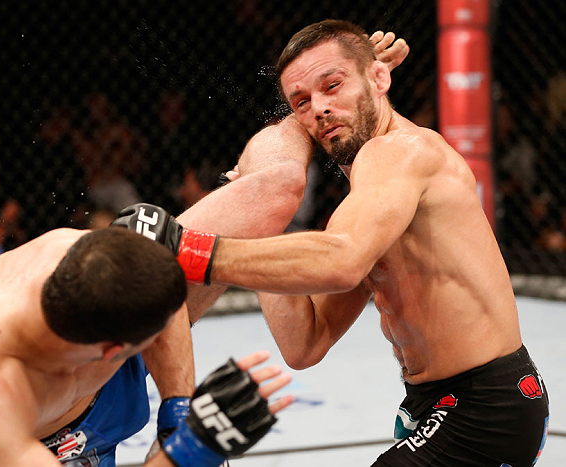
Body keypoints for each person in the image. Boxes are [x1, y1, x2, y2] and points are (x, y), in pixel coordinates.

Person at [112, 20, 549, 466]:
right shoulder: (368, 207)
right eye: (302, 102)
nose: (319, 109)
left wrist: (187, 249)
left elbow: (341, 260)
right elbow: (305, 343)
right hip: (445, 405)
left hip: (485, 406)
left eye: (333, 85)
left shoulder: (399, 153)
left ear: (380, 78)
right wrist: (261, 215)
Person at [0, 226, 292, 467]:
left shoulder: (77, 254)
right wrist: (191, 449)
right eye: (155, 334)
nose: (174, 327)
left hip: (90, 362)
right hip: (54, 437)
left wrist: (178, 414)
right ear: (116, 351)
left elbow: (163, 282)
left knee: (262, 204)